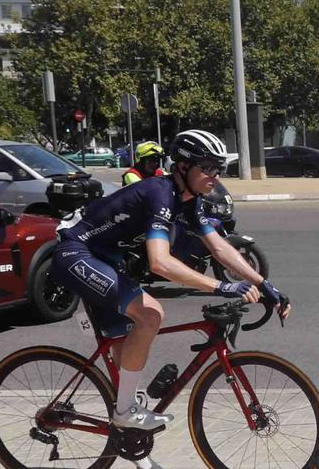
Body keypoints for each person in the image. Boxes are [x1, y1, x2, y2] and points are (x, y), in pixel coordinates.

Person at [51, 128, 285, 437]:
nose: (215, 176)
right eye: (208, 168)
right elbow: (160, 263)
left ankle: (130, 441)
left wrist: (264, 284)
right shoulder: (159, 193)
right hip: (76, 253)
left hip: (107, 259)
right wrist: (221, 287)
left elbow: (219, 246)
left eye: (219, 169)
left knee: (125, 355)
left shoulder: (189, 200)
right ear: (184, 167)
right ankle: (125, 414)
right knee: (151, 315)